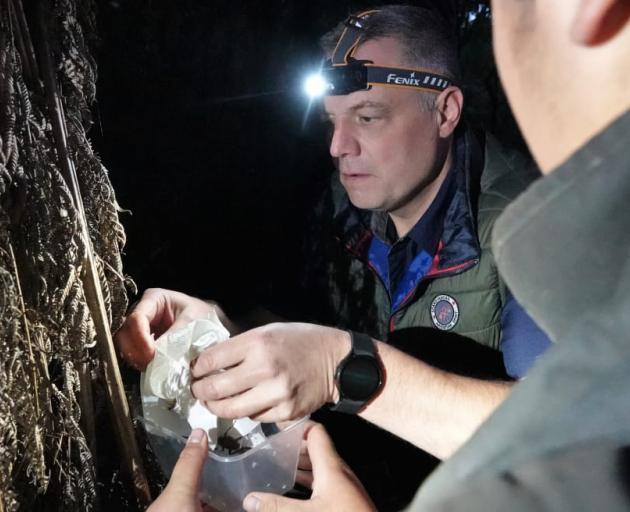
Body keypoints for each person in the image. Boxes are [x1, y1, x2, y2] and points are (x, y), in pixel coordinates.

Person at [119, 5, 552, 510]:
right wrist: (218, 330)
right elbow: (301, 330)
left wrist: (344, 369)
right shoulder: (343, 205)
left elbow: (568, 438)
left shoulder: (534, 229)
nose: (338, 146)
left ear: (445, 111)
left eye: (367, 118)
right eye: (332, 121)